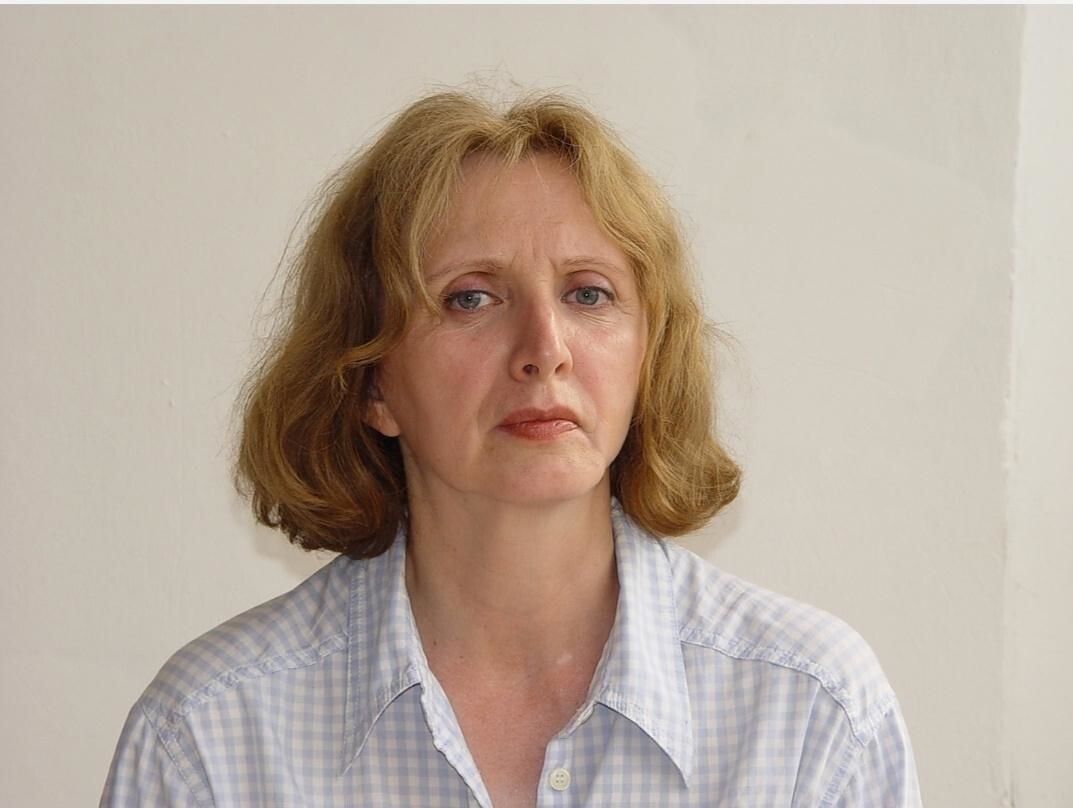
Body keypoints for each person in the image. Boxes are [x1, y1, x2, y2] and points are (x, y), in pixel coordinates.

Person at [101, 88, 922, 807]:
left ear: (648, 357)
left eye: (588, 294)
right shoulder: (209, 737)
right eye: (471, 298)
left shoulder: (809, 713)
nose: (544, 348)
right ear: (371, 381)